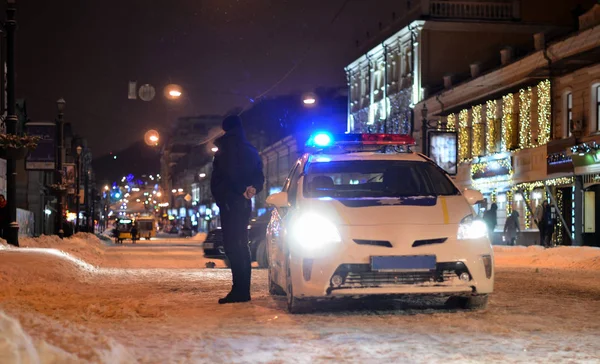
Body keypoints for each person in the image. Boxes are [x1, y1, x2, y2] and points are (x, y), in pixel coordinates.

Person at [211, 114, 264, 304]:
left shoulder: (226, 148)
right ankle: (243, 290)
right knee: (242, 244)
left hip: (230, 201)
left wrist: (236, 191)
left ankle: (239, 291)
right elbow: (259, 175)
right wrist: (253, 189)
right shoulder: (250, 149)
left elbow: (225, 175)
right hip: (244, 202)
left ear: (226, 128)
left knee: (233, 245)